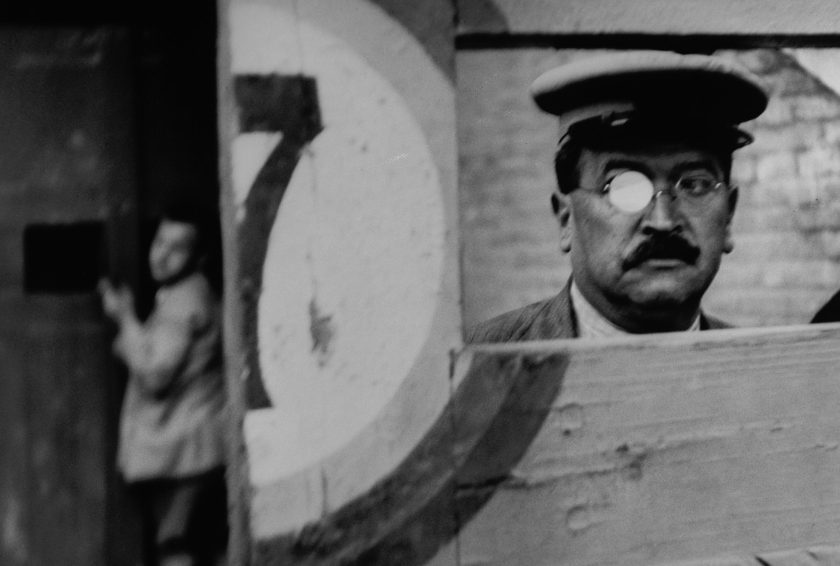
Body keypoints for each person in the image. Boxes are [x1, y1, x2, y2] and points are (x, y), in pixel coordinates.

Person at [468, 51, 768, 342]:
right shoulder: (476, 367)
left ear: (728, 217)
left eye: (694, 185)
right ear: (565, 219)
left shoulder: (766, 373)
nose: (662, 221)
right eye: (624, 187)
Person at [100, 207, 227, 566]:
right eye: (159, 242)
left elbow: (156, 374)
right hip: (197, 445)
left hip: (187, 448)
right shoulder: (191, 293)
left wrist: (124, 317)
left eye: (178, 248)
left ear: (199, 257)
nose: (162, 255)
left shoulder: (184, 300)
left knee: (174, 542)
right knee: (209, 541)